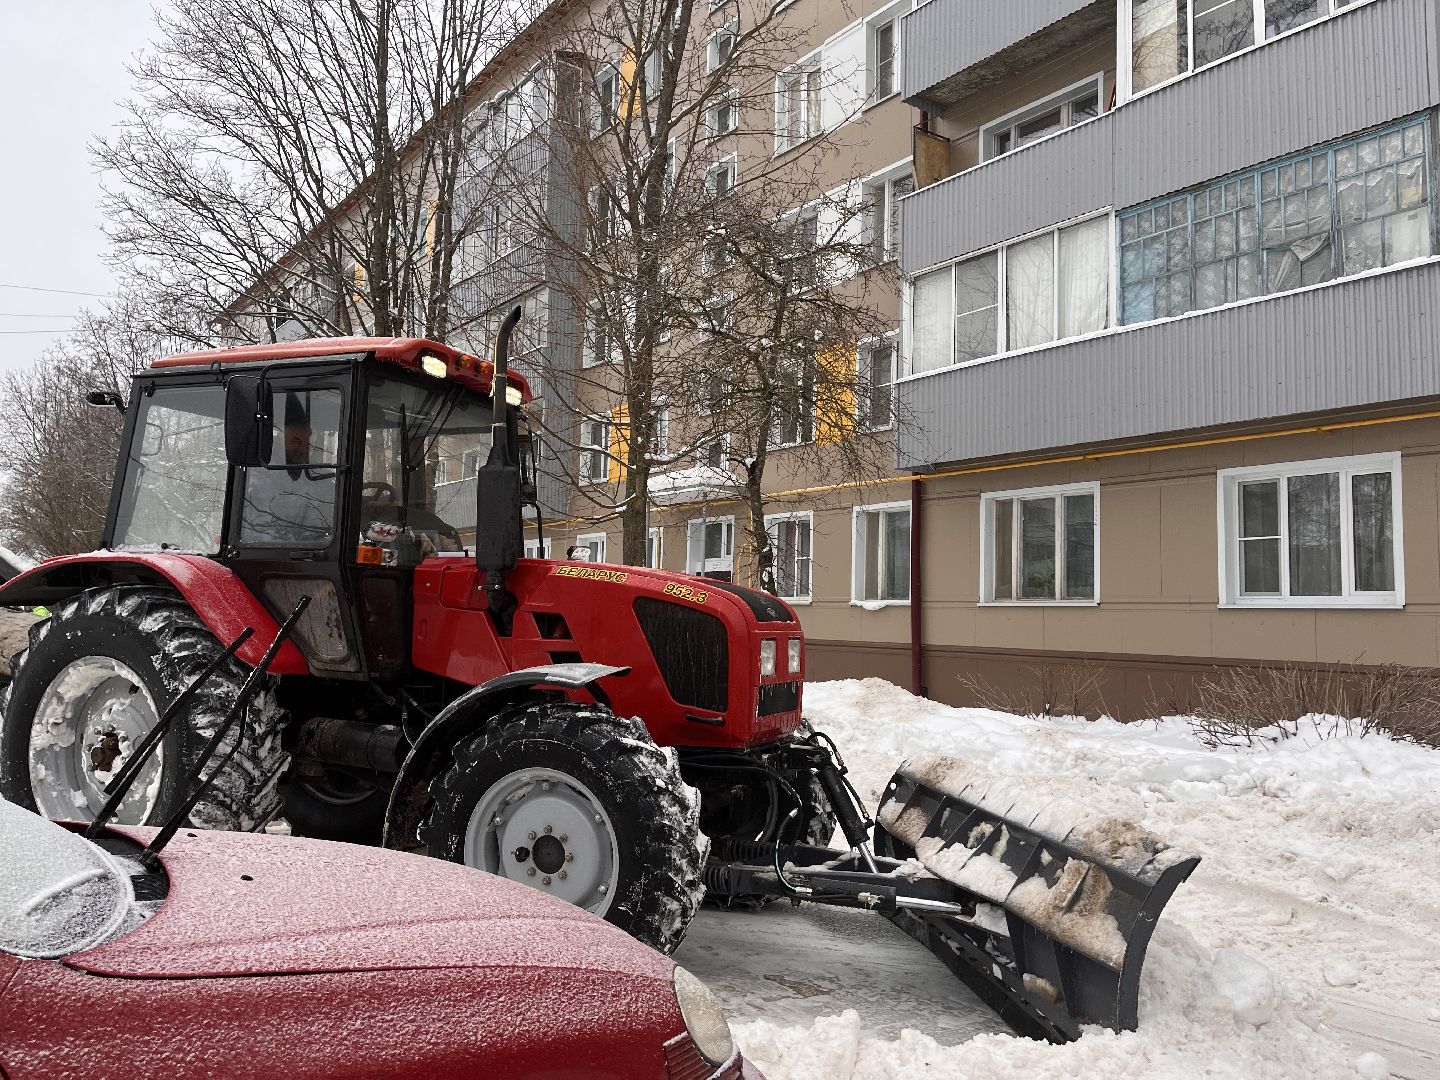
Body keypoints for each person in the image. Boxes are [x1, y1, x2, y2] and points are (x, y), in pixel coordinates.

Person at [239, 394, 335, 543]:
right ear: (279, 441)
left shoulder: (318, 477)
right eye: (296, 442)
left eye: (307, 443)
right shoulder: (259, 477)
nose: (303, 449)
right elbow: (263, 532)